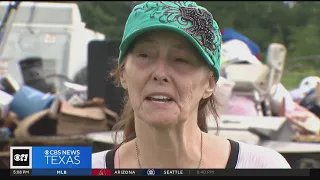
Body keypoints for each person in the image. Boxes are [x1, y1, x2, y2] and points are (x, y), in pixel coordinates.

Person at [92, 1, 291, 169]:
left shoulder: (262, 166)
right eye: (144, 55)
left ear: (210, 83)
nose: (160, 74)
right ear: (123, 73)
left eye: (181, 59)